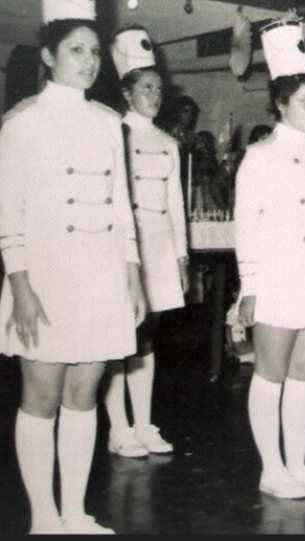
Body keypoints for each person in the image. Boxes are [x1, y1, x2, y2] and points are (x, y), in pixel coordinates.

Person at [0, 1, 147, 533]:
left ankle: (76, 512)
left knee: (84, 398)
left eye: (93, 52)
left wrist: (132, 276)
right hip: (45, 277)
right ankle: (44, 518)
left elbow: (121, 207)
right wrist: (21, 288)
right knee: (41, 398)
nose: (88, 62)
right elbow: (8, 215)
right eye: (76, 51)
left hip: (101, 274)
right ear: (48, 55)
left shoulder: (110, 123)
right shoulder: (22, 123)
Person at [236, 14, 305, 500]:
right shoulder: (260, 156)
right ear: (280, 104)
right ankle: (269, 467)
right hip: (277, 275)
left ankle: (298, 463)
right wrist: (250, 287)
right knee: (271, 373)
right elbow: (247, 227)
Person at [103, 25, 189, 459]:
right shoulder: (112, 134)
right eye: (147, 87)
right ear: (127, 92)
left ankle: (143, 422)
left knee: (147, 338)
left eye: (158, 88)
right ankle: (119, 428)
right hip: (122, 244)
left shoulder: (169, 143)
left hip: (159, 242)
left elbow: (176, 204)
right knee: (121, 336)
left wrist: (181, 257)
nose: (155, 95)